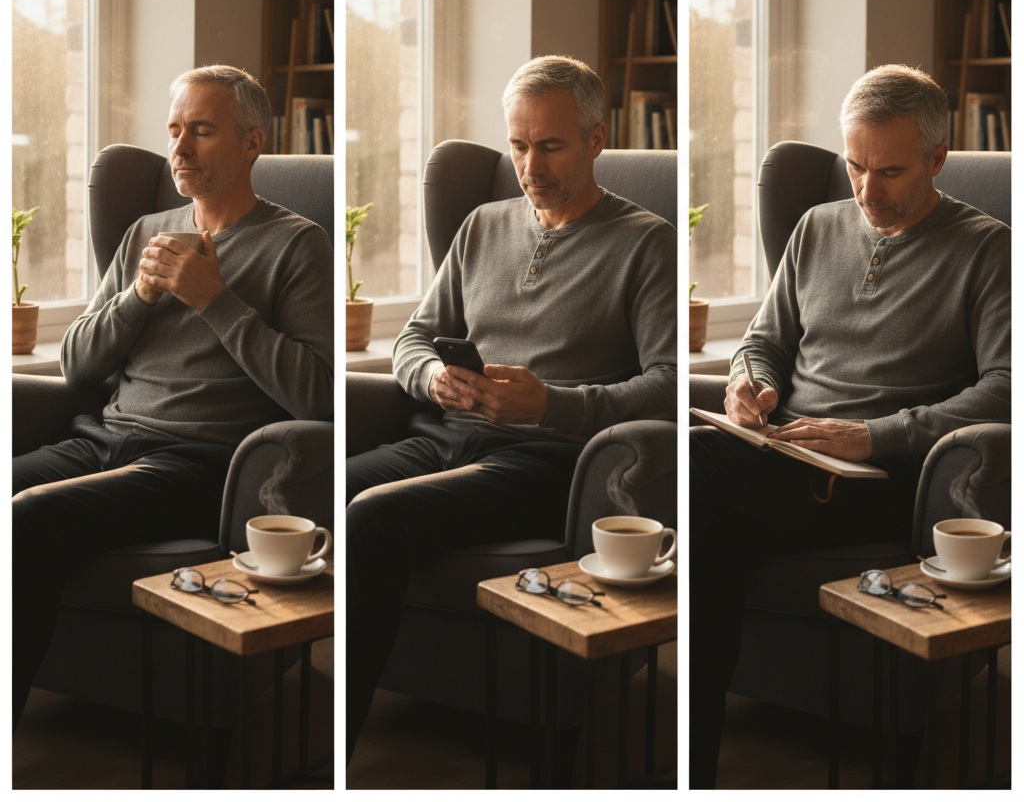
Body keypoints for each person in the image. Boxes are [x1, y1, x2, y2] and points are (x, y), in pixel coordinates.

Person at [346, 55, 677, 760]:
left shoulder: (647, 242)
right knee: (330, 489)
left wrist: (552, 405)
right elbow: (411, 337)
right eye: (519, 145)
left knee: (373, 515)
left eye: (550, 145)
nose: (530, 165)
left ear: (596, 138)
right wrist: (433, 376)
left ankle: (337, 747)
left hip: (545, 461)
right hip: (441, 436)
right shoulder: (481, 226)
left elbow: (670, 384)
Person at [689, 63, 1011, 787]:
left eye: (890, 171)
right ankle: (691, 766)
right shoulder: (815, 227)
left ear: (937, 159)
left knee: (682, 462)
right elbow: (762, 342)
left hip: (884, 475)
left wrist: (876, 434)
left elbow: (1008, 388)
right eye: (855, 166)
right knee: (716, 544)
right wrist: (754, 386)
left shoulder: (989, 248)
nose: (866, 192)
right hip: (780, 456)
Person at [12, 64, 334, 726]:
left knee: (26, 519)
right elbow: (75, 363)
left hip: (193, 463)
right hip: (98, 440)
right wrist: (140, 296)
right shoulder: (144, 233)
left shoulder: (297, 244)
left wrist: (211, 298)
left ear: (252, 142)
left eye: (203, 131)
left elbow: (316, 395)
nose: (180, 150)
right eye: (175, 131)